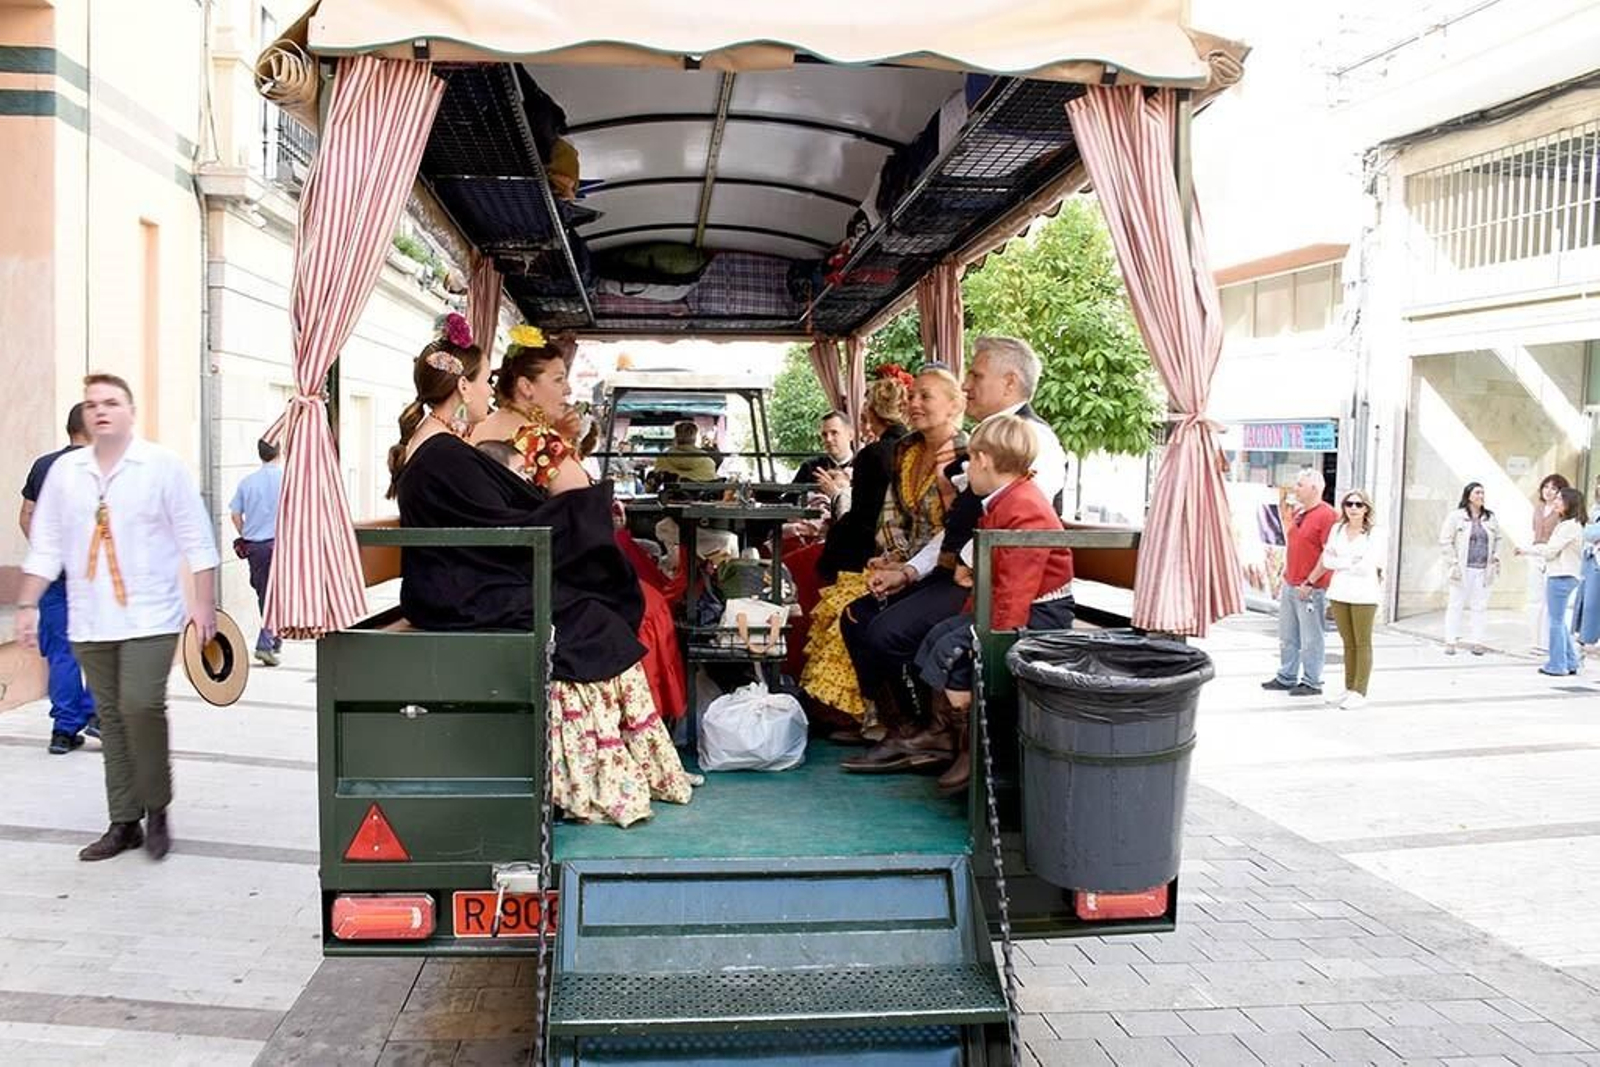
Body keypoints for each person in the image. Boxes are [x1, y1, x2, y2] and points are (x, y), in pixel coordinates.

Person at [390, 326, 692, 826]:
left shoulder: (441, 445)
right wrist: (579, 516)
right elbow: (499, 521)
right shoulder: (441, 450)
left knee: (588, 611)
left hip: (457, 580)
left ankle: (611, 770)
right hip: (457, 591)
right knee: (588, 618)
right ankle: (596, 780)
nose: (488, 390)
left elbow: (495, 515)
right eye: (483, 381)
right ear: (462, 386)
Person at [834, 336, 1068, 768]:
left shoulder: (1032, 438)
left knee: (887, 631)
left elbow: (1017, 524)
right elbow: (959, 525)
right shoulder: (986, 439)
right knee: (858, 616)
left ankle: (938, 735)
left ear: (1010, 382)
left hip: (997, 583)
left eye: (976, 375)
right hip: (968, 573)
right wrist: (909, 570)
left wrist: (962, 564)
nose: (966, 385)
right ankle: (908, 730)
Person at [17, 374, 219, 861]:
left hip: (150, 615)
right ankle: (124, 821)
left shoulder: (161, 466)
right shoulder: (66, 473)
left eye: (111, 402)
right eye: (92, 404)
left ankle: (158, 807)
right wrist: (27, 603)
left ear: (130, 411)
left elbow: (196, 537)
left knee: (140, 705)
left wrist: (204, 603)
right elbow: (45, 543)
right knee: (110, 714)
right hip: (90, 616)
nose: (101, 411)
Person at [909, 414, 1075, 790]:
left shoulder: (1024, 507)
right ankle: (954, 736)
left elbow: (1016, 590)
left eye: (970, 460)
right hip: (1016, 605)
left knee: (955, 650)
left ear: (983, 460)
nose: (967, 469)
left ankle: (976, 748)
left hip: (1040, 613)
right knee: (939, 635)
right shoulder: (1006, 499)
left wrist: (990, 638)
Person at [800, 367, 965, 727]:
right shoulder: (906, 449)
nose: (914, 403)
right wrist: (895, 557)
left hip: (952, 572)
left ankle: (924, 728)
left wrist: (907, 569)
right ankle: (896, 725)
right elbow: (891, 515)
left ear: (954, 406)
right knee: (854, 616)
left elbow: (956, 530)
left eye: (925, 396)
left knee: (880, 629)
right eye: (912, 395)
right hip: (908, 565)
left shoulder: (965, 455)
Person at [19, 403, 99, 754]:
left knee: (62, 652)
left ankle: (63, 731)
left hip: (53, 577)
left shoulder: (44, 465)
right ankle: (99, 717)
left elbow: (26, 515)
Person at [814, 372, 911, 583]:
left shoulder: (873, 454)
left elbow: (862, 517)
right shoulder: (915, 447)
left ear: (873, 413)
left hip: (874, 551)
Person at [1262, 468, 1336, 696]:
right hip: (1291, 582)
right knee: (1288, 635)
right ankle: (1287, 675)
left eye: (1300, 485)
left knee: (1311, 637)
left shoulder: (1327, 515)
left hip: (1311, 587)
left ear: (1314, 488)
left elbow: (1328, 554)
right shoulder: (1300, 513)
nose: (1296, 488)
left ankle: (1312, 681)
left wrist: (1310, 582)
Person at [1307, 489, 1382, 709]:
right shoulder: (1337, 529)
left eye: (1359, 504)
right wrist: (1349, 562)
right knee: (1348, 642)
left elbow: (1367, 565)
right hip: (1339, 591)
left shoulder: (1374, 533)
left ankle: (1360, 691)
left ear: (1366, 508)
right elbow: (1327, 559)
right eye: (1349, 504)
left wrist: (1342, 562)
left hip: (1364, 594)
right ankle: (1349, 688)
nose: (1353, 508)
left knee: (1362, 642)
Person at [1517, 485, 1586, 677]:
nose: (1556, 501)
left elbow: (1550, 551)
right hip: (1566, 575)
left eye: (1560, 499)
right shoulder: (1572, 525)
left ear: (1569, 503)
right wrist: (1529, 551)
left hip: (1560, 576)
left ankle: (1557, 665)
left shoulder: (1568, 526)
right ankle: (1570, 661)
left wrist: (1530, 550)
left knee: (1555, 621)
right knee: (1559, 621)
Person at [229, 438, 284, 667]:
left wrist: (246, 533)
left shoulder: (247, 482)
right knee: (278, 594)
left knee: (264, 593)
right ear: (280, 452)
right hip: (280, 545)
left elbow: (235, 515)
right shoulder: (287, 480)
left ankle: (274, 638)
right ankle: (265, 643)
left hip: (255, 548)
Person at [1438, 481, 1502, 656]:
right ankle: (1450, 641)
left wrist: (1496, 556)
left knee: (1479, 606)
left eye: (1482, 493)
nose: (1481, 496)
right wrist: (1453, 561)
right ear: (1468, 496)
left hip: (1483, 569)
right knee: (1455, 605)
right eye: (1477, 493)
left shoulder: (1490, 517)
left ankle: (1477, 642)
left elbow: (1498, 538)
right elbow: (1445, 540)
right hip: (1462, 568)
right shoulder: (1456, 516)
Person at [1527, 473, 1570, 652]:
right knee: (1534, 599)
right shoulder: (1538, 508)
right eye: (1546, 487)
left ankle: (1546, 642)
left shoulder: (1562, 513)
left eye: (1554, 488)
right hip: (1536, 553)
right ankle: (1534, 641)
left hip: (1553, 555)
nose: (1548, 491)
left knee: (1548, 601)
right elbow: (1534, 532)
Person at [793, 411, 855, 487]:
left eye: (834, 433)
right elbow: (791, 494)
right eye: (824, 435)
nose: (828, 439)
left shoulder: (864, 465)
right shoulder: (810, 466)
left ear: (850, 435)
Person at [1576, 474, 1600, 654]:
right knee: (1587, 600)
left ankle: (1590, 638)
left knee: (1593, 601)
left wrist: (1588, 529)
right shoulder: (1594, 508)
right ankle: (1586, 638)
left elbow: (1591, 533)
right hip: (1591, 558)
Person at [651, 421, 719, 483]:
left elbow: (654, 484)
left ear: (676, 437)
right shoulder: (708, 463)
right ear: (695, 439)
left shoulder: (662, 460)